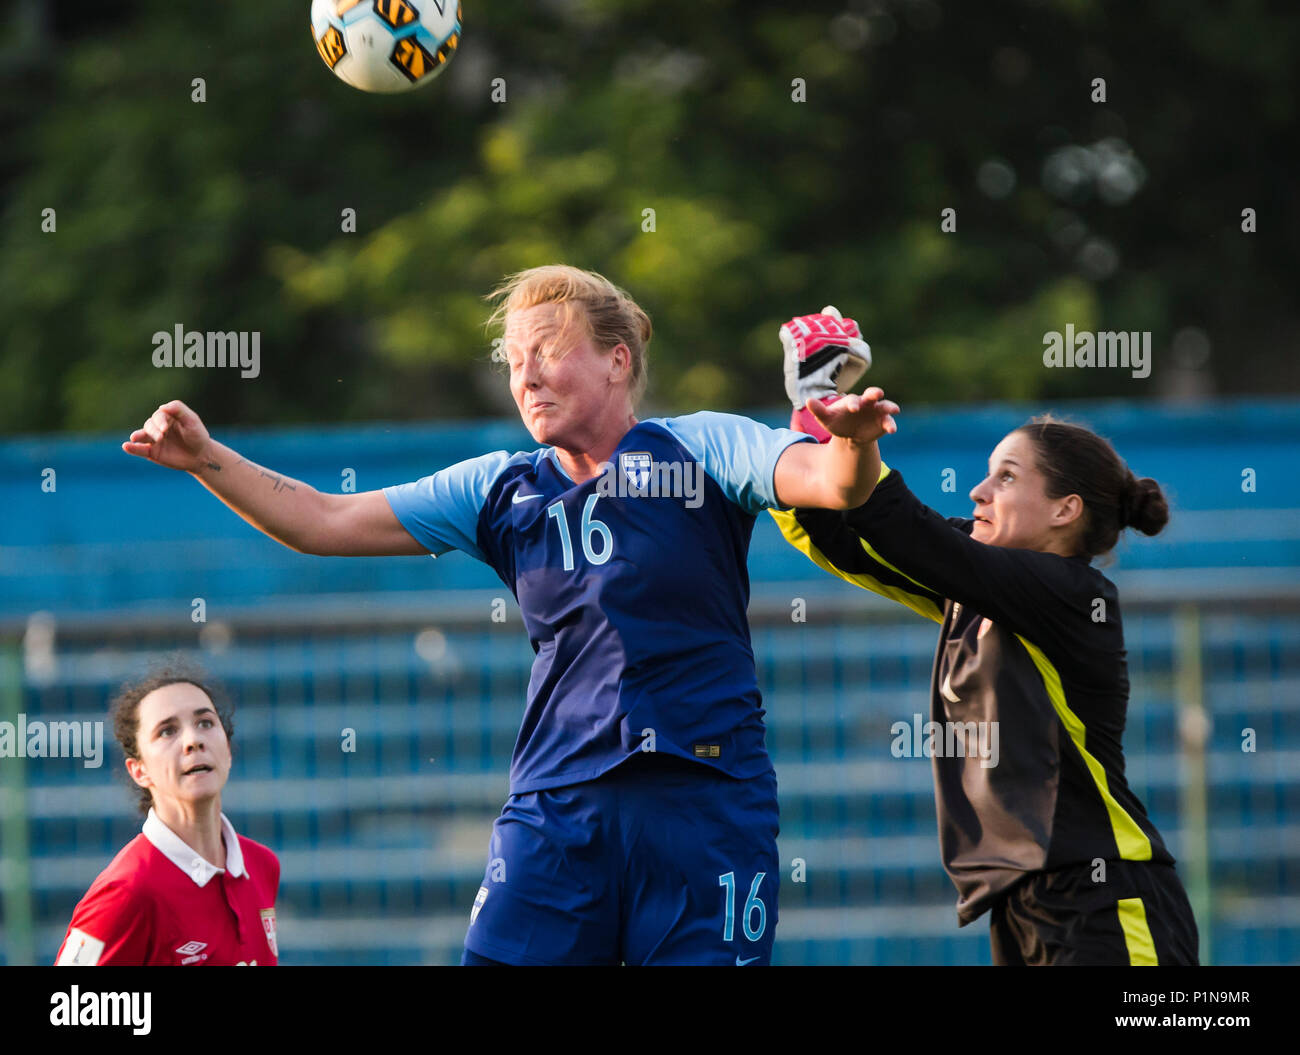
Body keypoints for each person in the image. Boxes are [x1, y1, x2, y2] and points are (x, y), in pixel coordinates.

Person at [120, 265, 900, 966]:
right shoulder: (501, 488)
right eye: (513, 359)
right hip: (559, 809)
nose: (524, 375)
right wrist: (206, 459)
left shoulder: (700, 447)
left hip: (706, 800)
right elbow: (324, 520)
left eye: (547, 351)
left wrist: (851, 438)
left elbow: (833, 481)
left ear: (617, 360)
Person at [772, 308, 1200, 966]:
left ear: (1066, 510)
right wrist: (812, 409)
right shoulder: (976, 590)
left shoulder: (1070, 593)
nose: (978, 490)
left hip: (1109, 900)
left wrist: (854, 436)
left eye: (1005, 477)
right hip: (1025, 907)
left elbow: (907, 531)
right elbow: (846, 541)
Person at [55, 665, 280, 966]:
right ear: (139, 770)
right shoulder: (125, 893)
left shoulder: (262, 865)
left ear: (227, 749)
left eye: (205, 723)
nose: (193, 741)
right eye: (167, 731)